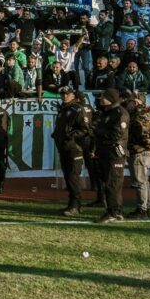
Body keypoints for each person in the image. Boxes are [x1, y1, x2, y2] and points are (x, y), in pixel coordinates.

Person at [52, 86, 93, 216]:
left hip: (74, 148)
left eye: (67, 94)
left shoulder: (77, 109)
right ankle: (72, 204)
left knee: (73, 177)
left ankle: (75, 205)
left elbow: (85, 129)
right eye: (62, 94)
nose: (64, 96)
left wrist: (71, 136)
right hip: (64, 147)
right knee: (68, 177)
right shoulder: (63, 109)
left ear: (72, 95)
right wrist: (57, 134)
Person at [91, 89, 129, 223]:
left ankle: (113, 212)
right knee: (110, 182)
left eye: (103, 97)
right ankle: (116, 211)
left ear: (111, 99)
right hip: (105, 152)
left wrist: (99, 132)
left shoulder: (120, 113)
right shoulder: (107, 112)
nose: (101, 99)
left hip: (114, 153)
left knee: (113, 183)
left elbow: (116, 134)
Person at [122, 91, 150, 220]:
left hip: (140, 152)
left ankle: (142, 209)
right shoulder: (141, 113)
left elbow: (144, 136)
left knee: (140, 182)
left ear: (136, 102)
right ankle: (145, 208)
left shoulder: (139, 115)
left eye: (130, 101)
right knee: (144, 181)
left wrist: (148, 145)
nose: (127, 102)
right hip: (143, 151)